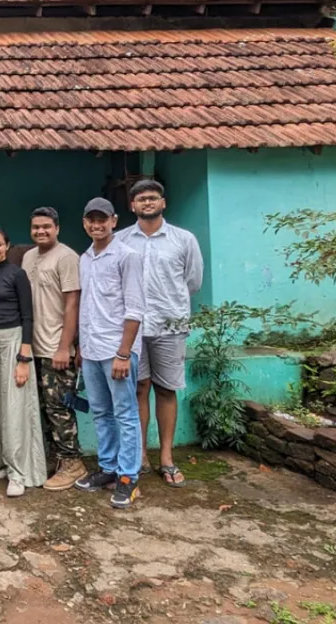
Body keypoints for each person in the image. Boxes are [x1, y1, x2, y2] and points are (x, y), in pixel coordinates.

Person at [117, 180, 204, 488]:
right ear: (132, 206)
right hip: (134, 329)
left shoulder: (184, 239)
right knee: (138, 389)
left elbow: (193, 282)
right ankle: (139, 456)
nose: (148, 203)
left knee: (166, 390)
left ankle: (166, 457)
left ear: (163, 203)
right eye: (141, 199)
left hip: (170, 325)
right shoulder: (121, 240)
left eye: (153, 198)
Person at [74, 197, 146, 509]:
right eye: (91, 219)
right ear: (85, 223)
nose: (96, 224)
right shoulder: (85, 257)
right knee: (101, 412)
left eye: (102, 219)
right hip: (91, 349)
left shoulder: (127, 256)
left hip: (117, 350)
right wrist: (81, 346)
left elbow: (135, 308)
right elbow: (87, 306)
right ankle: (108, 468)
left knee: (125, 413)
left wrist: (123, 352)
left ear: (114, 221)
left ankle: (128, 477)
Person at [0, 227, 46, 497]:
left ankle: (19, 472)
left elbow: (28, 315)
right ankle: (2, 462)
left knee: (15, 407)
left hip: (15, 341)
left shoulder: (17, 274)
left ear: (7, 245)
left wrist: (24, 357)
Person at [21, 207, 88, 492]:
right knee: (43, 408)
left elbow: (73, 303)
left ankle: (73, 462)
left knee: (60, 407)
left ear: (57, 228)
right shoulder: (28, 257)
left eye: (46, 226)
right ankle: (56, 459)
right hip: (34, 347)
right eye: (36, 227)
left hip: (56, 348)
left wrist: (66, 347)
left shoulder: (67, 257)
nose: (41, 231)